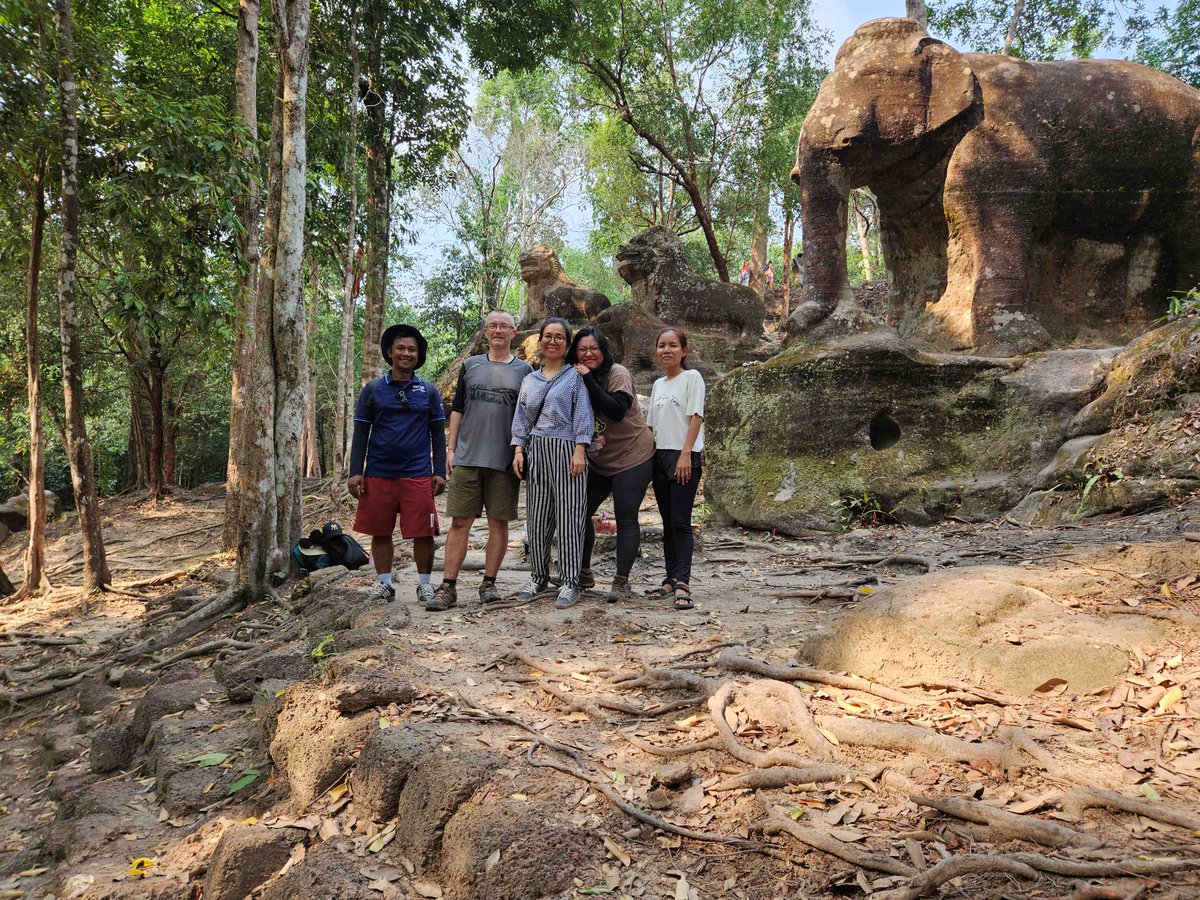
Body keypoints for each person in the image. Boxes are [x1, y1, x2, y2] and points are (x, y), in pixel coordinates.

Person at [427, 310, 532, 611]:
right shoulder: (470, 365)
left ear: (514, 333)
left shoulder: (525, 371)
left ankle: (489, 583)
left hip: (504, 459)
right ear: (485, 332)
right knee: (460, 521)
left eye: (504, 326)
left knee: (498, 522)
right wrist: (450, 450)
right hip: (468, 456)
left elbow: (525, 415)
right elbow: (457, 409)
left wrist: (519, 451)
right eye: (492, 326)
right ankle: (448, 587)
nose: (498, 330)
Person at [347, 324, 446, 604]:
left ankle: (425, 585)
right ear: (389, 353)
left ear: (418, 354)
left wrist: (438, 471)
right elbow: (361, 433)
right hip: (379, 473)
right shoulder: (373, 390)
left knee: (424, 533)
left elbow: (437, 435)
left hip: (417, 474)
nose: (406, 353)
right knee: (381, 530)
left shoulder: (428, 391)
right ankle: (385, 583)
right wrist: (356, 472)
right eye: (400, 348)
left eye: (411, 349)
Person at [567, 326, 655, 603]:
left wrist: (588, 378)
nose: (589, 353)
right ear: (575, 353)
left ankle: (621, 581)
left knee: (625, 514)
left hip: (633, 456)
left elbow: (616, 412)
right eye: (583, 349)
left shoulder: (617, 373)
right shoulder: (572, 376)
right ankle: (583, 571)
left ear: (604, 350)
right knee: (580, 511)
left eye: (595, 348)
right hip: (599, 460)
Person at [510, 317, 594, 609]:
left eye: (560, 337)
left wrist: (580, 451)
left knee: (570, 517)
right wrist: (519, 450)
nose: (553, 341)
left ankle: (570, 582)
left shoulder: (575, 376)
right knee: (538, 516)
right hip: (537, 449)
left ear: (567, 344)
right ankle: (538, 577)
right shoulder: (530, 379)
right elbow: (520, 418)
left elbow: (583, 415)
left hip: (568, 449)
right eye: (548, 335)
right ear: (540, 340)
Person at [646, 326, 704, 610]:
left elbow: (696, 417)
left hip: (685, 457)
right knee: (667, 522)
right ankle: (670, 578)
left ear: (684, 350)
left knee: (681, 521)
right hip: (660, 458)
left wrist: (685, 455)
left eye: (672, 345)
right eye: (661, 345)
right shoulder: (658, 385)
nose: (666, 350)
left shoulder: (692, 378)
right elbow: (650, 427)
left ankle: (683, 581)